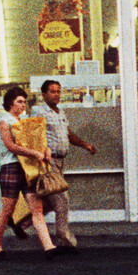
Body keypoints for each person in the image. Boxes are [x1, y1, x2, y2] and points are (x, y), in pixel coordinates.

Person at [0, 85, 59, 256]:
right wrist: (35, 153)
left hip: (28, 168)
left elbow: (38, 141)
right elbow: (11, 146)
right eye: (19, 102)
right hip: (11, 168)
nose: (23, 105)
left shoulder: (24, 120)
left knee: (37, 208)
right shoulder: (4, 121)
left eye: (24, 102)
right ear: (10, 104)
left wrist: (45, 150)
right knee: (7, 210)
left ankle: (49, 247)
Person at [37, 78, 96, 250]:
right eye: (52, 91)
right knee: (62, 198)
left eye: (58, 91)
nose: (56, 95)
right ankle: (65, 237)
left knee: (49, 201)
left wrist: (85, 145)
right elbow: (33, 135)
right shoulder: (39, 112)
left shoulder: (60, 113)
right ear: (44, 94)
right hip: (49, 162)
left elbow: (68, 134)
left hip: (61, 162)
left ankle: (20, 224)